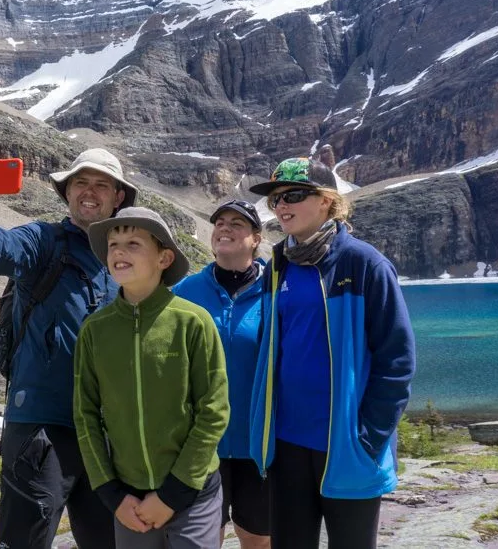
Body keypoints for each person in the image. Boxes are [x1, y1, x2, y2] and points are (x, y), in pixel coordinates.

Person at [0, 148, 136, 549]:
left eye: (102, 185)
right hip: (41, 428)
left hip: (105, 434)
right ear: (67, 192)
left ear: (118, 197)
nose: (90, 192)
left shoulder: (126, 259)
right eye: (81, 182)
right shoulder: (43, 241)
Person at [247, 157, 416, 549]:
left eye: (292, 195)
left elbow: (398, 359)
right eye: (275, 200)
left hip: (346, 444)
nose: (280, 206)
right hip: (287, 445)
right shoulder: (278, 265)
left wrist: (368, 437)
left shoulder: (364, 263)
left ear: (326, 201)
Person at [73, 206, 229, 549]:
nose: (118, 251)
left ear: (164, 258)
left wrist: (173, 493)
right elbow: (85, 416)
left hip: (193, 492)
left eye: (133, 243)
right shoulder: (95, 331)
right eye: (113, 244)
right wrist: (111, 494)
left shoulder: (193, 321)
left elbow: (214, 411)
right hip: (128, 497)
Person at [172, 199, 271, 549]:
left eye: (237, 224)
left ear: (256, 238)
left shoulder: (276, 292)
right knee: (202, 537)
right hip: (200, 443)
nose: (225, 228)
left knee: (258, 538)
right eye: (220, 222)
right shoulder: (183, 293)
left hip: (257, 444)